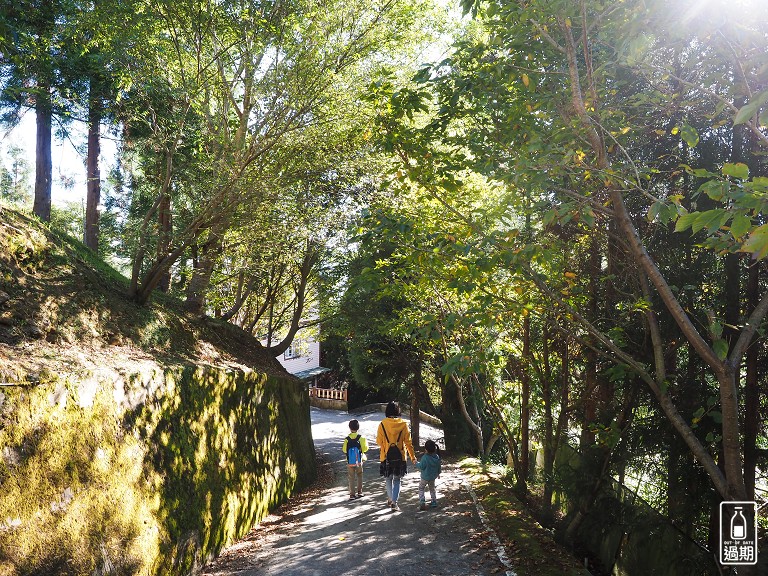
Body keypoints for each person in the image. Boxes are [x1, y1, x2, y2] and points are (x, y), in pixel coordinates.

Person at [376, 401, 416, 512]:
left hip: (386, 456)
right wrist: (413, 457)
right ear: (398, 411)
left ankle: (390, 499)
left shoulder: (382, 424)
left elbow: (379, 442)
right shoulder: (403, 424)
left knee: (388, 479)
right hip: (400, 457)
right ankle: (394, 502)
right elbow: (408, 443)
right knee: (397, 480)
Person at [342, 419, 368, 499]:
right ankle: (360, 492)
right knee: (359, 475)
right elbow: (366, 449)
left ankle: (352, 494)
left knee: (351, 477)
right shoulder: (362, 438)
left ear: (350, 428)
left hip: (350, 461)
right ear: (358, 428)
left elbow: (344, 450)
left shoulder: (347, 439)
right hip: (359, 461)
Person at [416, 439, 441, 510]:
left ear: (426, 449)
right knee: (432, 489)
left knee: (421, 488)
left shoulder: (425, 457)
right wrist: (438, 473)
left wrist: (416, 463)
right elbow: (439, 466)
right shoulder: (436, 457)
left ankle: (422, 501)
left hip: (424, 477)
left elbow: (421, 466)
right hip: (433, 477)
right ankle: (434, 501)